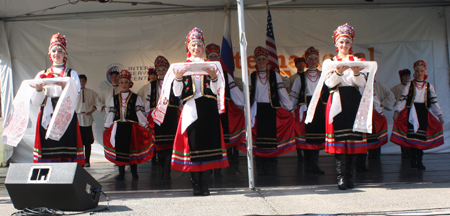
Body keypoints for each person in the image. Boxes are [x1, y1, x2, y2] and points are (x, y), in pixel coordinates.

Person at [153, 27, 228, 196]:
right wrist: (178, 78)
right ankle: (195, 183)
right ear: (188, 47)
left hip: (208, 110)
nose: (196, 48)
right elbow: (178, 93)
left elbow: (217, 91)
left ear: (203, 47)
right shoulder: (182, 67)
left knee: (207, 146)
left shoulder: (212, 66)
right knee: (194, 148)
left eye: (199, 44)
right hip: (191, 110)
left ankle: (205, 183)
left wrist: (214, 77)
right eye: (193, 45)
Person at [315, 23, 370, 190]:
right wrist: (338, 71)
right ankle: (340, 177)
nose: (344, 45)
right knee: (340, 140)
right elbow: (330, 83)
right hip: (338, 100)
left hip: (353, 101)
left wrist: (355, 72)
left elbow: (362, 84)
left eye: (347, 42)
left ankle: (350, 176)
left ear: (351, 44)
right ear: (336, 44)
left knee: (353, 140)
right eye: (341, 42)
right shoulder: (329, 62)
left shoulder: (358, 61)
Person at [239, 46, 296, 176]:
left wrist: (290, 108)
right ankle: (259, 168)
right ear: (255, 61)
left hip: (271, 109)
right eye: (258, 59)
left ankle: (270, 168)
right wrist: (244, 108)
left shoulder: (275, 75)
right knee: (258, 140)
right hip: (257, 111)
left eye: (263, 58)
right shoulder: (251, 76)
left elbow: (282, 93)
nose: (261, 61)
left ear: (267, 61)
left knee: (271, 138)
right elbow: (247, 95)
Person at [31, 33, 85, 165]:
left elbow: (75, 97)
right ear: (49, 54)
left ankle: (66, 176)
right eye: (54, 50)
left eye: (60, 50)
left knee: (66, 144)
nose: (57, 53)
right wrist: (38, 89)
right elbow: (35, 102)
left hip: (65, 112)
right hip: (47, 112)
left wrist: (64, 89)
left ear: (65, 54)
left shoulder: (71, 74)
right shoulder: (42, 74)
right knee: (48, 144)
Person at [391, 60, 444, 170]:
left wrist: (439, 115)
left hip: (423, 113)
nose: (420, 73)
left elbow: (434, 101)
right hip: (411, 112)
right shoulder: (410, 84)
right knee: (412, 138)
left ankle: (419, 161)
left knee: (420, 138)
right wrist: (397, 111)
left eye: (422, 70)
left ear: (425, 72)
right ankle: (412, 159)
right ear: (414, 73)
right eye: (417, 71)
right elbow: (403, 99)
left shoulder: (429, 86)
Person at [103, 70, 154, 180]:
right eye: (121, 82)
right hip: (119, 127)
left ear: (130, 83)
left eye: (126, 82)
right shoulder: (115, 98)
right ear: (119, 83)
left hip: (132, 127)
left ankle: (134, 172)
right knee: (120, 150)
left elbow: (139, 113)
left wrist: (145, 126)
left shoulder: (135, 97)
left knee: (132, 149)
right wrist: (107, 126)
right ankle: (121, 173)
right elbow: (111, 113)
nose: (124, 84)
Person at [206, 43, 245, 178]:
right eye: (210, 56)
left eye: (215, 56)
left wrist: (244, 105)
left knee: (220, 139)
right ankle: (208, 168)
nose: (212, 58)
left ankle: (217, 168)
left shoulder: (225, 75)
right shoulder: (202, 73)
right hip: (206, 110)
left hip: (222, 111)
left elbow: (234, 92)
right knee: (209, 139)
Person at [144, 56, 180, 180]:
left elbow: (179, 98)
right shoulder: (152, 85)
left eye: (163, 69)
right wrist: (147, 114)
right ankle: (162, 170)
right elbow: (149, 101)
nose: (161, 72)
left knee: (170, 144)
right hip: (158, 115)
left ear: (168, 69)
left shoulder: (174, 81)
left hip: (170, 113)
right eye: (159, 70)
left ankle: (167, 172)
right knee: (159, 145)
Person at [76, 74, 98, 167]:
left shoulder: (91, 92)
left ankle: (87, 160)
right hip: (77, 118)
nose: (81, 83)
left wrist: (92, 110)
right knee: (78, 142)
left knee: (88, 142)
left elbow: (98, 102)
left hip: (87, 119)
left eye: (83, 81)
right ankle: (80, 160)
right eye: (80, 81)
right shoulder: (74, 92)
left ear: (86, 82)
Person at [391, 69, 412, 159]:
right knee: (402, 132)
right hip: (401, 112)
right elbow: (390, 96)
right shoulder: (397, 87)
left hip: (411, 112)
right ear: (401, 77)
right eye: (404, 76)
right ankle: (404, 152)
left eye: (407, 76)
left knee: (411, 131)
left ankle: (411, 151)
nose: (406, 78)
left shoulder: (413, 86)